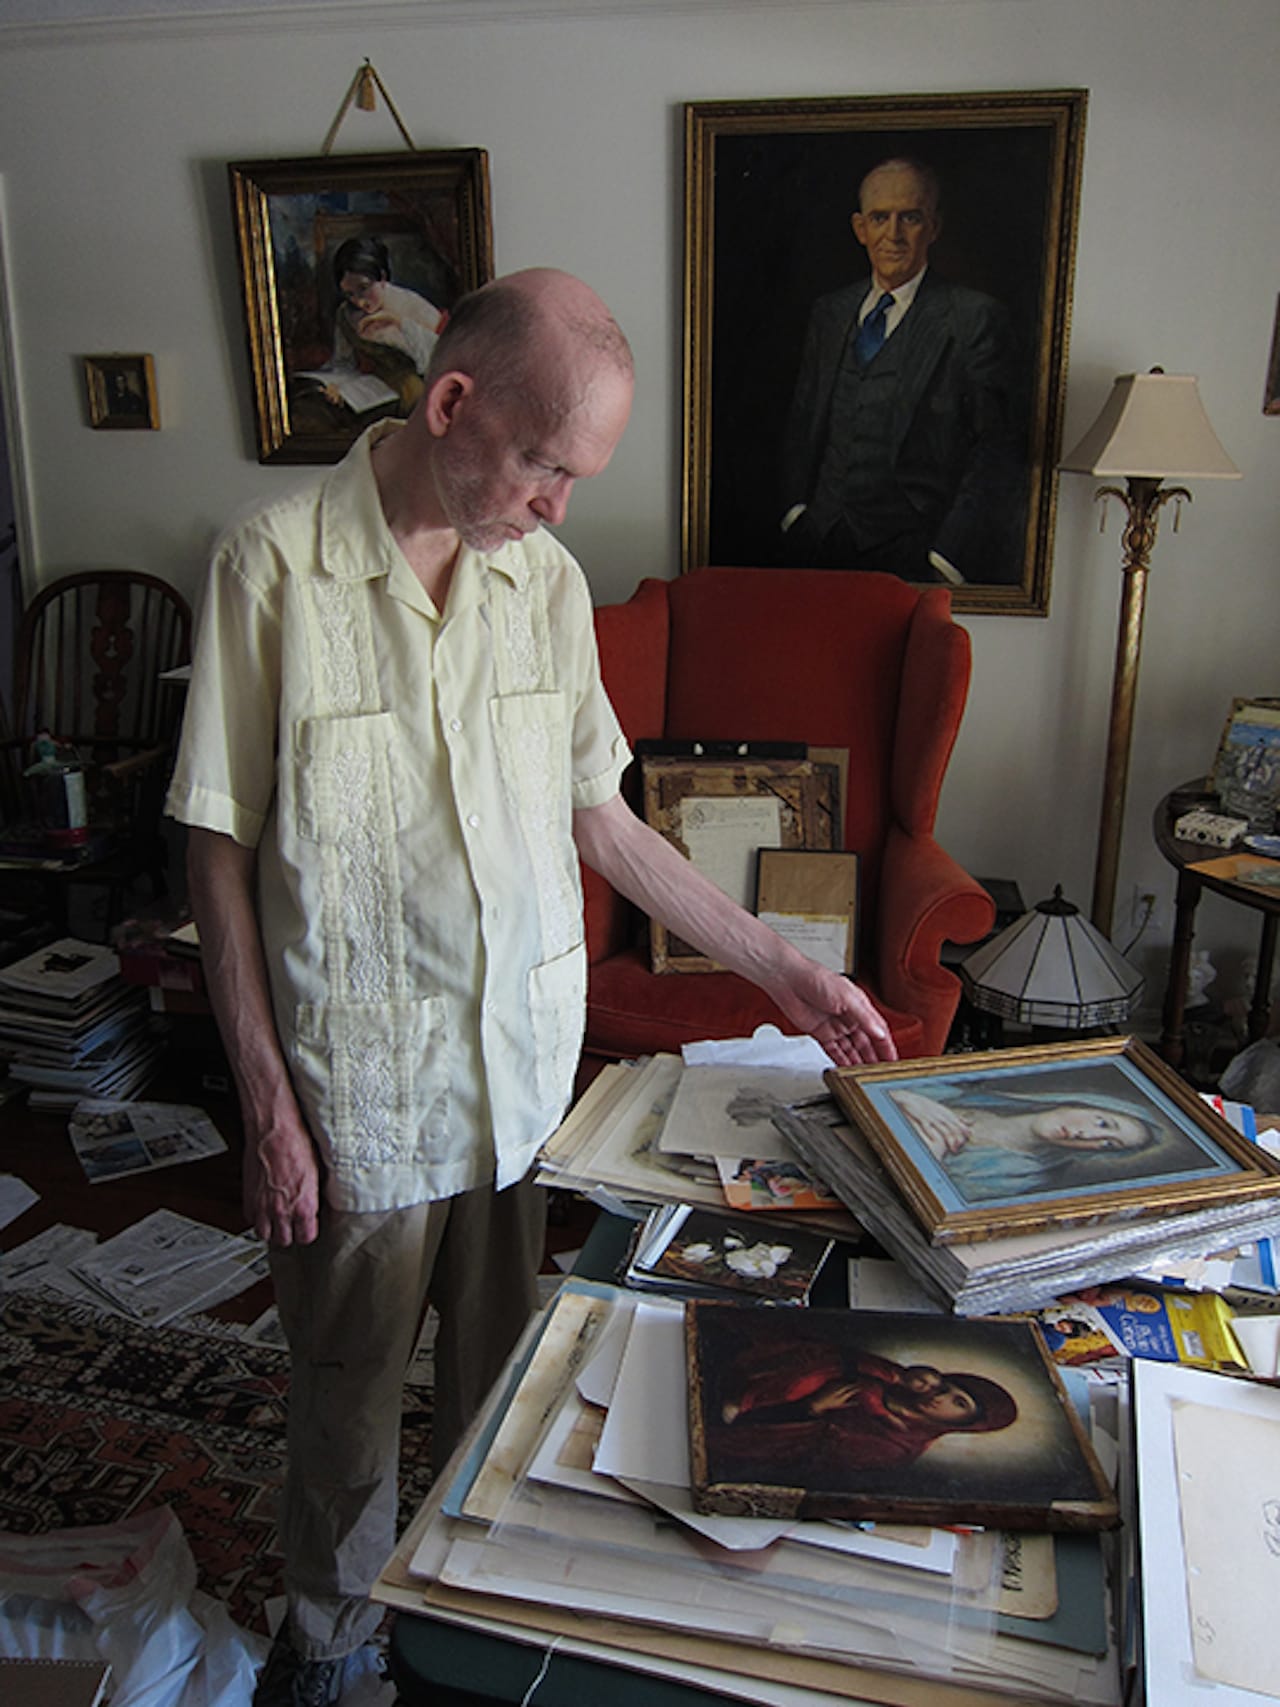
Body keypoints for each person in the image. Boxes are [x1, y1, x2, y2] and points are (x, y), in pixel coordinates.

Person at [165, 266, 896, 1706]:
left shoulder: (544, 584)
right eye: (550, 466)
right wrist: (265, 1104)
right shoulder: (275, 566)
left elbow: (604, 818)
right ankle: (329, 1646)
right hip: (357, 1092)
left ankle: (467, 1638)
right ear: (453, 405)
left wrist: (785, 965)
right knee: (347, 1398)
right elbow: (217, 849)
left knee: (503, 1389)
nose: (563, 503)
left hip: (517, 1080)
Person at [780, 157, 1025, 586]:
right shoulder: (830, 312)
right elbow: (802, 422)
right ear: (860, 229)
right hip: (819, 544)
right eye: (879, 218)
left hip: (913, 555)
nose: (892, 235)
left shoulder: (973, 318)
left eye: (909, 218)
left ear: (934, 227)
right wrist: (795, 513)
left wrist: (946, 558)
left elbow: (997, 450)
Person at [711, 1337, 1017, 1481]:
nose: (941, 1397)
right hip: (740, 1373)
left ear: (964, 1423)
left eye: (958, 1404)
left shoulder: (893, 1446)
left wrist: (812, 1408)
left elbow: (797, 1455)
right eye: (947, 1389)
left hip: (740, 1426)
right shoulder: (894, 1380)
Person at [887, 1078, 1183, 1202]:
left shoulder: (1018, 1175)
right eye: (1102, 1122)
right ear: (1080, 1102)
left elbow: (930, 1200)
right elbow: (869, 1088)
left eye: (1108, 1144)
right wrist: (909, 1099)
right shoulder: (979, 1095)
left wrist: (931, 1151)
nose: (1088, 1135)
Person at [310, 237, 445, 418]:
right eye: (349, 294)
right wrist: (337, 387)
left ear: (382, 277)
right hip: (370, 388)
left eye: (364, 288)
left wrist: (398, 323)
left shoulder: (412, 306)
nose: (359, 302)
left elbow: (441, 358)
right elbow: (344, 364)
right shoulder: (345, 314)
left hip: (414, 393)